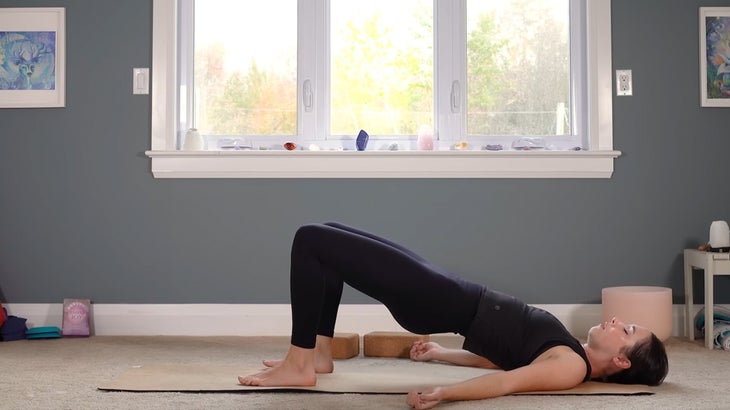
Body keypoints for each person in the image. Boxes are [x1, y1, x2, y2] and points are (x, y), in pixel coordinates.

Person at [239, 222, 668, 409]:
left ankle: (300, 363)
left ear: (622, 361)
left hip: (437, 298)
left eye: (627, 330)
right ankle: (318, 355)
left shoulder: (570, 368)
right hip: (445, 292)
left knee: (311, 239)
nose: (615, 321)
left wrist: (444, 394)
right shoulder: (567, 353)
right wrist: (442, 354)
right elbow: (503, 358)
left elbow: (506, 382)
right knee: (326, 234)